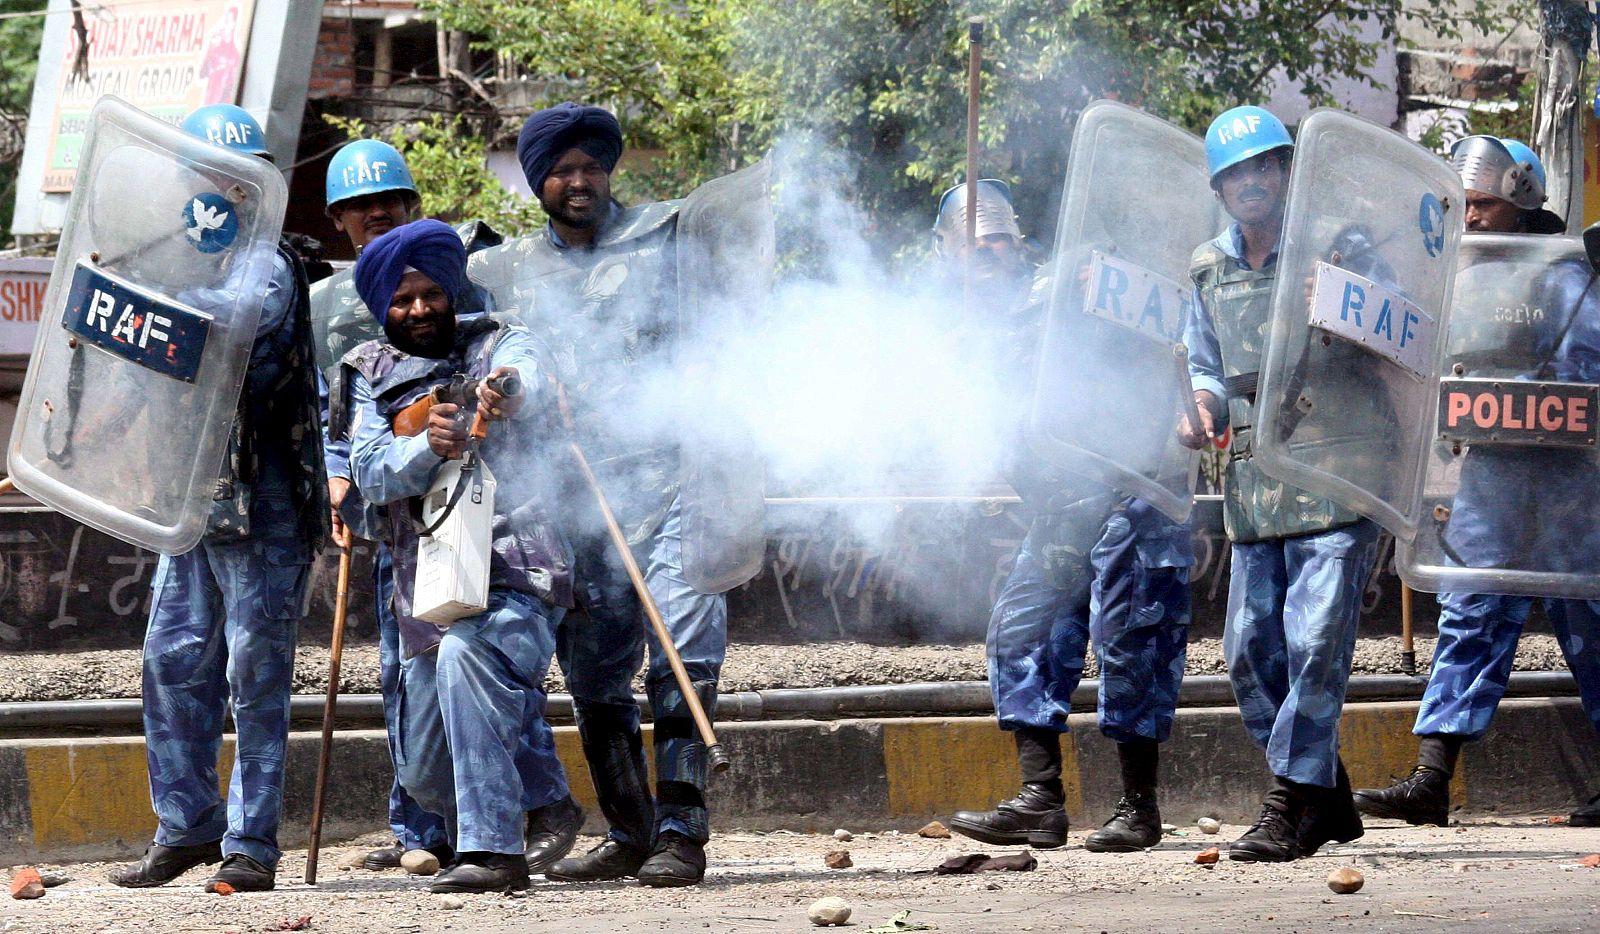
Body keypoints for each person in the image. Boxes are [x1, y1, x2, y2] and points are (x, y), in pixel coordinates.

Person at [470, 102, 725, 887]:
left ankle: (683, 831)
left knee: (682, 650)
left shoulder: (668, 237)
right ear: (537, 178)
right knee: (593, 675)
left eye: (591, 166)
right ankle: (630, 831)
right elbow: (484, 350)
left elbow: (729, 320)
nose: (578, 181)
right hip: (574, 497)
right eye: (562, 168)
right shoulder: (504, 270)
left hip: (674, 479)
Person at [313, 139, 584, 876]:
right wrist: (427, 447)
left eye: (430, 291)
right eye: (401, 300)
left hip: (516, 570)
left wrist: (505, 392)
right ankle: (529, 805)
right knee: (428, 770)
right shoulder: (366, 374)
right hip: (424, 586)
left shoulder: (500, 337)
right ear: (381, 307)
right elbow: (368, 470)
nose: (420, 307)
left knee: (470, 658)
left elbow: (523, 369)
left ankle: (494, 852)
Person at [110, 105, 329, 892]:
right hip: (192, 505)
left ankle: (251, 844)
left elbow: (218, 334)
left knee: (255, 674)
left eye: (242, 178)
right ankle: (188, 826)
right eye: (214, 176)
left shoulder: (263, 267)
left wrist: (136, 305)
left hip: (262, 503)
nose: (228, 192)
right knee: (171, 662)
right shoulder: (180, 262)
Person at [1354, 137, 1600, 829]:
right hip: (1490, 467)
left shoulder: (1568, 276)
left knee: (1589, 615)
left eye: (1483, 204)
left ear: (1520, 198)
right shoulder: (1453, 276)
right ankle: (1431, 779)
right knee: (1469, 612)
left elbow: (1590, 367)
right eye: (1460, 204)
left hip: (1567, 472)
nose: (1470, 217)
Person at [942, 180, 1195, 854]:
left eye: (998, 236)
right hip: (1060, 508)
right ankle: (1039, 800)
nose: (990, 251)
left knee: (1130, 641)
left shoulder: (1061, 286)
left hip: (1125, 490)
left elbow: (1145, 324)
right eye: (974, 241)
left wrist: (1095, 281)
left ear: (1017, 238)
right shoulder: (957, 325)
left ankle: (1139, 808)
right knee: (1020, 631)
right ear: (947, 253)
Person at [1178, 105, 1380, 862]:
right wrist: (1199, 404)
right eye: (1236, 172)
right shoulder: (1205, 265)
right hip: (1255, 479)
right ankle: (1325, 795)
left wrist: (1342, 309)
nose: (1252, 182)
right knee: (1247, 646)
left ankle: (1290, 800)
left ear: (1290, 171)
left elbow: (1406, 331)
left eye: (1266, 165)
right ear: (1218, 188)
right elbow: (1203, 360)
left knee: (1316, 639)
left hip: (1337, 467)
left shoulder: (1342, 245)